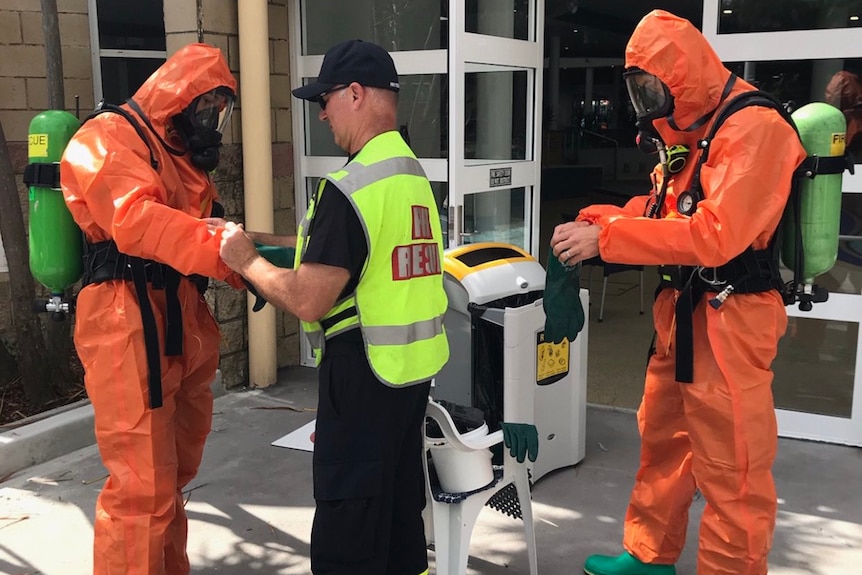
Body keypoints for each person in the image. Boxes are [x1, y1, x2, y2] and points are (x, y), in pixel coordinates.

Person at [550, 11, 807, 575]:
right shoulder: (692, 128)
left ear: (682, 75)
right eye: (639, 89)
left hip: (731, 319)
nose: (647, 104)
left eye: (652, 86)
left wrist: (608, 239)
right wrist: (600, 219)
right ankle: (649, 556)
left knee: (732, 468)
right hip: (683, 314)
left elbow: (716, 233)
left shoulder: (754, 130)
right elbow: (666, 210)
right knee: (662, 441)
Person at [218, 39, 449, 575]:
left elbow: (307, 298)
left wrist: (245, 260)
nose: (320, 112)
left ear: (355, 93)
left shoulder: (350, 187)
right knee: (397, 525)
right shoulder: (409, 173)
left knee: (350, 536)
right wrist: (255, 239)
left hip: (361, 379)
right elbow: (346, 251)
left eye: (324, 99)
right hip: (408, 381)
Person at [60, 43, 243, 575]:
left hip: (176, 316)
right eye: (205, 107)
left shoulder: (177, 155)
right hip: (123, 319)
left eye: (220, 111)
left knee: (171, 478)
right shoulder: (106, 139)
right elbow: (138, 221)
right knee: (142, 488)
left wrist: (244, 259)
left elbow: (191, 233)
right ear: (178, 99)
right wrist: (227, 254)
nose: (212, 122)